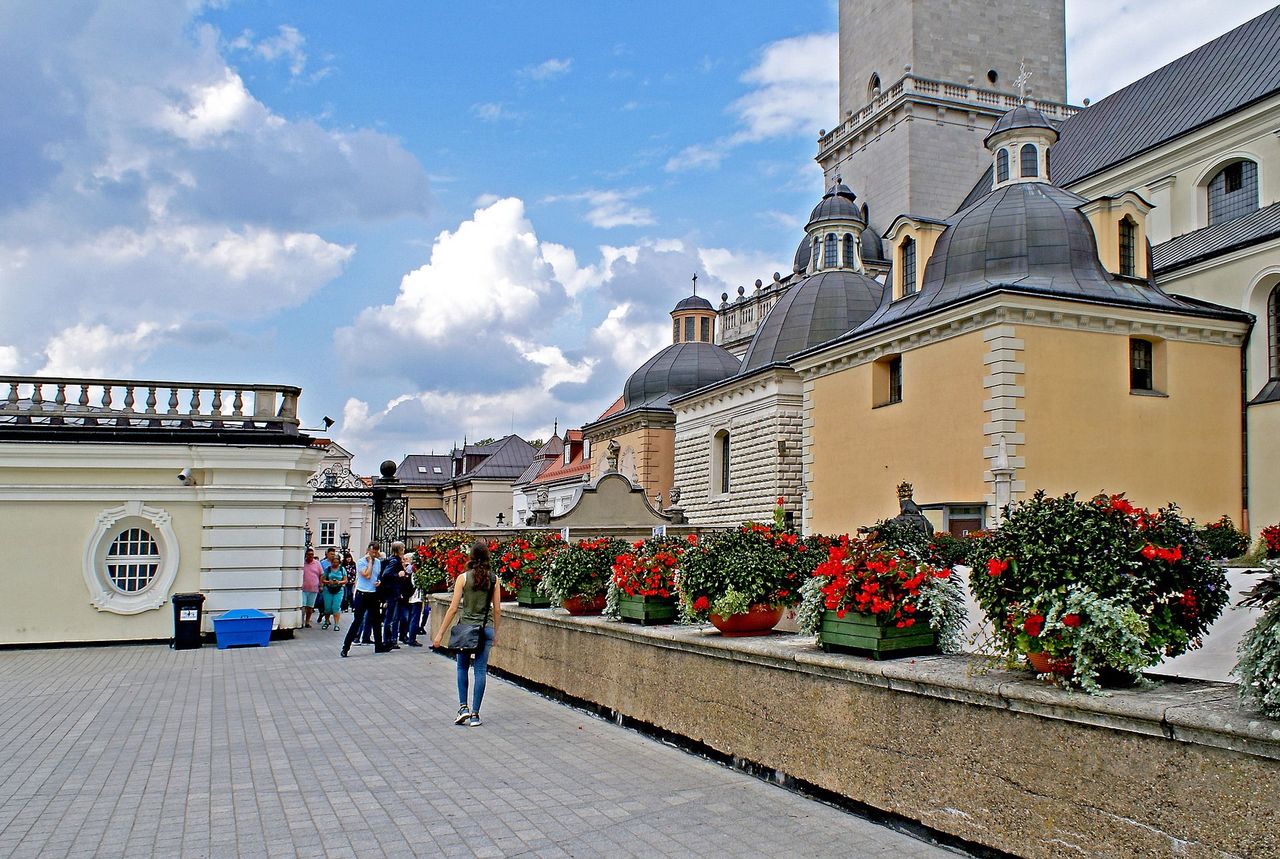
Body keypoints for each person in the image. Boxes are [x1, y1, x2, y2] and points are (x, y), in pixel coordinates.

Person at [432, 542, 501, 727]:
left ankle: (463, 707)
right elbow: (497, 610)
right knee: (480, 671)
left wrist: (440, 634)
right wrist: (496, 632)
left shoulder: (463, 578)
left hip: (466, 629)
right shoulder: (494, 580)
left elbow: (453, 608)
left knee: (462, 667)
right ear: (487, 557)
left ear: (470, 556)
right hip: (486, 628)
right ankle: (476, 714)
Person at [341, 543, 387, 657]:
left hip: (373, 594)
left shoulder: (378, 563)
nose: (374, 554)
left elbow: (377, 576)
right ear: (368, 550)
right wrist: (370, 562)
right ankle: (346, 647)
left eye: (376, 552)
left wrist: (379, 582)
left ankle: (379, 645)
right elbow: (366, 575)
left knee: (376, 621)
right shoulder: (361, 562)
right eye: (372, 552)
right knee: (357, 621)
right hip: (362, 594)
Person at [380, 541, 407, 648]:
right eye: (403, 548)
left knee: (391, 617)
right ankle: (387, 640)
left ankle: (389, 639)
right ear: (399, 550)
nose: (404, 550)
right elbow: (386, 574)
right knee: (390, 617)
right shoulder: (394, 561)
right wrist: (398, 574)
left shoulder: (394, 560)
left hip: (394, 591)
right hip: (392, 592)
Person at [319, 548, 345, 631]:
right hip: (328, 589)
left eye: (337, 562)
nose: (335, 564)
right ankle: (326, 621)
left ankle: (336, 624)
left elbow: (345, 580)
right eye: (334, 562)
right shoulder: (328, 569)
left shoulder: (342, 569)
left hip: (338, 589)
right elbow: (322, 579)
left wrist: (339, 582)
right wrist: (328, 582)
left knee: (336, 607)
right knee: (328, 607)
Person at [301, 548, 322, 628]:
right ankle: (301, 621)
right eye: (309, 554)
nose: (310, 556)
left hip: (313, 588)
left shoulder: (317, 563)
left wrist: (321, 585)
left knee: (310, 607)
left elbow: (321, 575)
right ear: (306, 555)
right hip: (303, 588)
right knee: (303, 605)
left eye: (312, 555)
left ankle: (307, 622)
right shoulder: (303, 563)